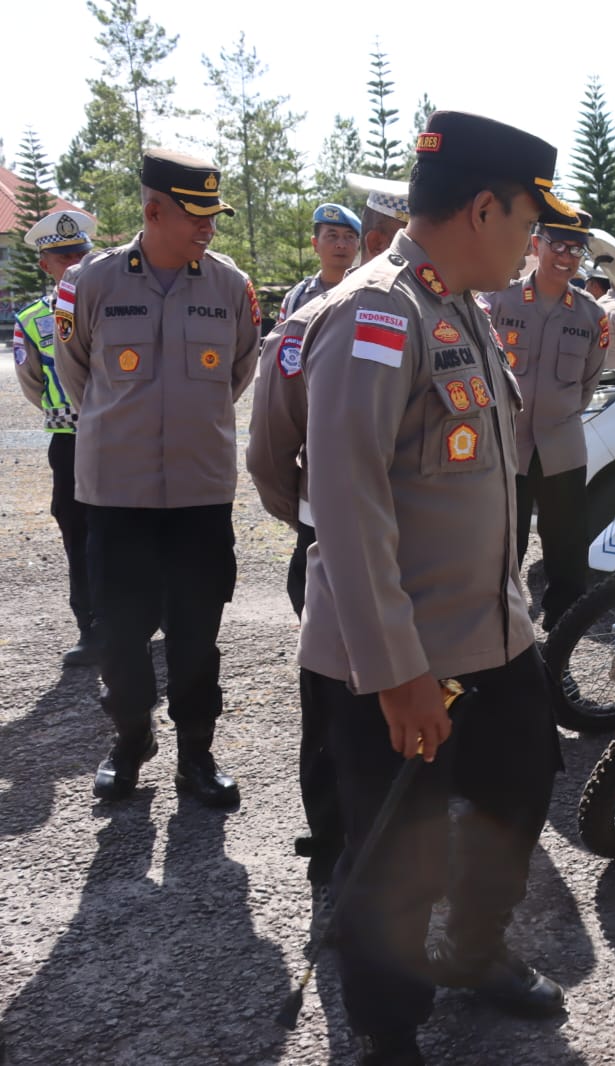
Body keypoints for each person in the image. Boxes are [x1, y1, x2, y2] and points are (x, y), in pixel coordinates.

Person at [297, 111, 568, 1065]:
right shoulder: (377, 313)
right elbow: (344, 498)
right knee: (394, 853)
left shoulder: (460, 306)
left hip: (493, 636)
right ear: (484, 206)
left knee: (516, 796)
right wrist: (398, 674)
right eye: (528, 219)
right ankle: (388, 1028)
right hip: (402, 657)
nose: (534, 239)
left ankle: (474, 950)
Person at [55, 149, 261, 807]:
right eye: (197, 215)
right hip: (118, 496)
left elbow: (238, 373)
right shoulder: (92, 283)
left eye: (213, 215)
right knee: (120, 634)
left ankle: (195, 758)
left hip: (199, 498)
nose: (210, 227)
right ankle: (131, 740)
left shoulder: (232, 287)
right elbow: (75, 373)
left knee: (197, 635)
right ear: (152, 210)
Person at [245, 173, 409, 895]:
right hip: (329, 548)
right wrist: (312, 518)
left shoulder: (444, 312)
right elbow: (269, 450)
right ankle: (335, 836)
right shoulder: (311, 315)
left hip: (409, 550)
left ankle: (392, 835)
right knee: (332, 704)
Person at [484, 204, 608, 628]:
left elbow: (588, 382)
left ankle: (563, 629)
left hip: (562, 448)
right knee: (503, 544)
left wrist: (559, 411)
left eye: (577, 248)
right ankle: (501, 628)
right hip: (507, 444)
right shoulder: (501, 300)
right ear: (536, 244)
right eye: (558, 244)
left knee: (566, 547)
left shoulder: (592, 316)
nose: (567, 256)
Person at [12, 209, 97, 665]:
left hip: (122, 440)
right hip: (70, 441)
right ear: (46, 265)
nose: (74, 264)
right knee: (77, 532)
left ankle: (147, 615)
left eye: (81, 254)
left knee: (139, 527)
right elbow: (32, 384)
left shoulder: (117, 307)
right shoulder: (32, 321)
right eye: (63, 257)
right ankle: (90, 625)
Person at [280, 202, 361, 318]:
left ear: (358, 244)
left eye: (349, 237)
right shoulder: (296, 298)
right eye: (332, 236)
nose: (341, 245)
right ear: (315, 244)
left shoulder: (369, 295)